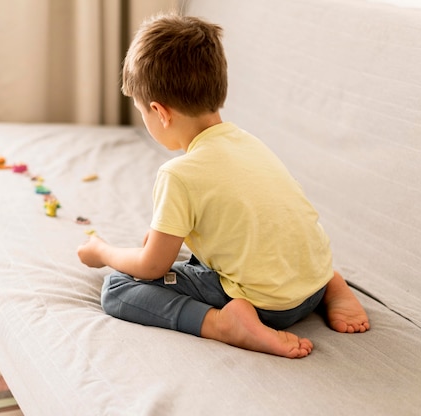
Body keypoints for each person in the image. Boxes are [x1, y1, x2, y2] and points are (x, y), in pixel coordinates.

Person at [77, 13, 370, 359]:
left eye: (143, 111)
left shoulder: (178, 174)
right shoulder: (249, 142)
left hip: (267, 306)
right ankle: (332, 284)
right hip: (310, 284)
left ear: (161, 112)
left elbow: (151, 268)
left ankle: (223, 323)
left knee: (117, 287)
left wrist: (102, 251)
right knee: (220, 252)